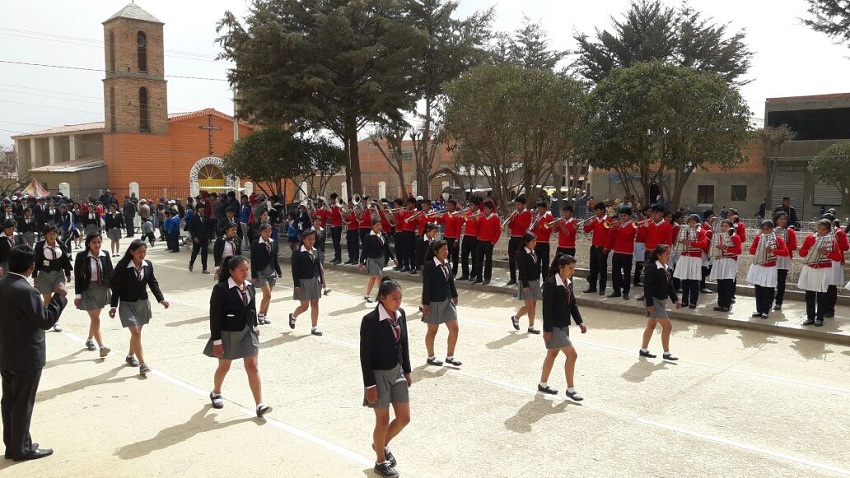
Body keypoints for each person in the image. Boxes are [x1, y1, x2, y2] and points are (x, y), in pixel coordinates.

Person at [0, 245, 67, 461]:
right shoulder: (26, 291)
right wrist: (59, 298)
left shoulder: (3, 285)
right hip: (27, 356)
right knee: (22, 403)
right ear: (32, 267)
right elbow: (44, 321)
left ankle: (13, 444)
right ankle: (22, 448)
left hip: (6, 352)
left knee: (9, 401)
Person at [203, 256, 272, 417]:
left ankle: (259, 404)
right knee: (224, 366)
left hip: (248, 331)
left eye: (247, 269)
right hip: (228, 333)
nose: (245, 273)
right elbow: (215, 316)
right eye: (241, 270)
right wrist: (217, 341)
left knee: (252, 366)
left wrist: (255, 326)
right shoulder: (220, 289)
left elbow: (252, 308)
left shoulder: (249, 286)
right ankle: (216, 392)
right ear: (231, 271)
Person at [360, 277, 412, 478]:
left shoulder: (401, 315)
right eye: (393, 298)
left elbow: (404, 344)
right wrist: (369, 385)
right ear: (382, 298)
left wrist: (406, 371)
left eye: (400, 298)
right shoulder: (370, 321)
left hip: (397, 371)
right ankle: (380, 462)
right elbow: (365, 355)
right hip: (378, 376)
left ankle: (380, 444)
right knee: (383, 420)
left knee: (404, 418)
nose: (398, 302)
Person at [109, 240, 170, 375]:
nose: (142, 254)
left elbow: (153, 283)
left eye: (144, 251)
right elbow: (116, 288)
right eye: (139, 252)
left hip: (142, 303)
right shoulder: (123, 267)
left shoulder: (148, 265)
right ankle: (142, 363)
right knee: (135, 332)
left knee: (136, 333)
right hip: (127, 304)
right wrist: (113, 306)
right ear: (132, 252)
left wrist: (161, 299)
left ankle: (130, 356)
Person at [539, 253, 587, 400]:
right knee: (572, 355)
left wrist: (579, 322)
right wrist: (547, 330)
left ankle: (543, 384)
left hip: (563, 325)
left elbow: (573, 304)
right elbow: (546, 310)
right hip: (553, 326)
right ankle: (570, 389)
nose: (572, 271)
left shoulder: (567, 283)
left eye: (573, 268)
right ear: (561, 268)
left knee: (552, 354)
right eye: (570, 268)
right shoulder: (551, 284)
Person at [421, 240, 461, 367]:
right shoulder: (429, 266)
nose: (446, 252)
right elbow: (426, 286)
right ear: (436, 252)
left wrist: (454, 295)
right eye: (443, 250)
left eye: (447, 249)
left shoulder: (447, 263)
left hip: (447, 300)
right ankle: (431, 357)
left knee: (455, 329)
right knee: (433, 331)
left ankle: (450, 356)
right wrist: (425, 305)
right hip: (433, 302)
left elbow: (450, 281)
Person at [73, 232, 113, 357]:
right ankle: (102, 346)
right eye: (94, 242)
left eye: (99, 242)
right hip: (88, 290)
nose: (97, 245)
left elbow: (110, 273)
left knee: (95, 318)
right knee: (95, 319)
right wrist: (78, 295)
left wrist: (115, 290)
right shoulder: (81, 256)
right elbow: (78, 277)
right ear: (88, 244)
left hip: (102, 289)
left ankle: (90, 339)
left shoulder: (105, 254)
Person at [640, 245, 681, 361]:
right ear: (659, 255)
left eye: (669, 254)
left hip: (661, 300)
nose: (669, 257)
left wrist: (675, 299)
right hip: (653, 301)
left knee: (651, 326)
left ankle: (643, 349)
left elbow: (670, 285)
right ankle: (666, 353)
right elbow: (647, 287)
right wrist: (650, 304)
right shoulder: (652, 268)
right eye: (666, 254)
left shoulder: (666, 268)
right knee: (668, 326)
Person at [797, 219, 840, 327]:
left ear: (828, 230)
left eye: (824, 229)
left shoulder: (832, 240)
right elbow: (801, 253)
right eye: (819, 228)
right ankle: (810, 317)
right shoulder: (810, 238)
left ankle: (820, 318)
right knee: (809, 295)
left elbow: (838, 257)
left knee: (822, 295)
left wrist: (827, 253)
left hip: (824, 270)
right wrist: (809, 250)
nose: (821, 231)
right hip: (810, 269)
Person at [32, 224, 72, 333]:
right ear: (45, 235)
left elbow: (66, 261)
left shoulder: (61, 245)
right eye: (50, 234)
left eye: (54, 234)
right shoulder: (40, 246)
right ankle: (49, 319)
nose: (52, 236)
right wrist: (35, 275)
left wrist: (68, 273)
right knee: (47, 300)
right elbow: (35, 261)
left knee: (62, 291)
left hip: (58, 273)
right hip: (44, 274)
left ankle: (56, 321)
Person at [745, 220, 788, 318]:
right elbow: (751, 250)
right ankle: (759, 310)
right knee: (758, 288)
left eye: (767, 229)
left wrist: (773, 250)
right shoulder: (758, 238)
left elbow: (785, 252)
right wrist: (760, 249)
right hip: (759, 266)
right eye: (763, 229)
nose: (765, 231)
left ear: (772, 229)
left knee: (768, 289)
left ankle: (766, 310)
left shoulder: (777, 239)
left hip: (770, 267)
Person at [289, 230, 326, 336]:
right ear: (303, 240)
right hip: (303, 281)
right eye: (309, 239)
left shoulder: (315, 251)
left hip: (315, 280)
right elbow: (295, 270)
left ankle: (314, 327)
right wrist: (296, 285)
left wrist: (322, 282)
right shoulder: (297, 253)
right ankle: (293, 316)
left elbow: (318, 267)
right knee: (304, 306)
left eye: (313, 239)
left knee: (315, 303)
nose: (312, 241)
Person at [672, 214, 708, 309]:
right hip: (685, 257)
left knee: (694, 281)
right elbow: (678, 241)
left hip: (695, 258)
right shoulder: (684, 231)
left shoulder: (702, 232)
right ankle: (684, 301)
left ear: (697, 223)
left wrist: (690, 243)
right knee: (685, 280)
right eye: (690, 222)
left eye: (693, 222)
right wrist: (681, 242)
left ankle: (693, 302)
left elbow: (703, 244)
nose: (691, 224)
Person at [511, 233, 542, 334]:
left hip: (535, 281)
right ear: (526, 242)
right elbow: (522, 271)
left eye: (535, 241)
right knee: (529, 307)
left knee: (533, 305)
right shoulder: (521, 254)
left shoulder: (533, 252)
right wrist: (525, 285)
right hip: (526, 282)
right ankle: (516, 318)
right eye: (533, 241)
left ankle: (531, 327)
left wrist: (538, 280)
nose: (535, 243)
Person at [250, 223, 281, 325]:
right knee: (267, 295)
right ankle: (260, 314)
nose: (268, 233)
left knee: (269, 295)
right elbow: (253, 260)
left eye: (269, 231)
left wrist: (278, 271)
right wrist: (254, 275)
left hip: (271, 271)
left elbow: (275, 258)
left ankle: (265, 314)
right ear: (260, 232)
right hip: (260, 272)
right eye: (265, 231)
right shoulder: (256, 243)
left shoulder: (273, 242)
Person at [708, 220, 742, 312]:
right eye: (722, 226)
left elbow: (738, 250)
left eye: (726, 226)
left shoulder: (735, 237)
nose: (723, 228)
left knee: (728, 284)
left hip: (729, 262)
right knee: (720, 284)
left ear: (731, 227)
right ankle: (720, 304)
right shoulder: (718, 237)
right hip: (719, 261)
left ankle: (726, 305)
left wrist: (726, 248)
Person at [360, 219, 396, 303]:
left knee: (373, 277)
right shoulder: (368, 236)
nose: (379, 227)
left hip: (381, 259)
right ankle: (381, 297)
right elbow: (365, 249)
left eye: (380, 225)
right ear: (372, 226)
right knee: (379, 277)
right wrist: (361, 262)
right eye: (377, 225)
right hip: (372, 260)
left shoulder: (382, 235)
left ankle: (367, 295)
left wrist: (393, 258)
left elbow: (387, 248)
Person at [607, 207, 637, 300]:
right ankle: (616, 291)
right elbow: (612, 236)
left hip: (627, 253)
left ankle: (626, 292)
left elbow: (627, 235)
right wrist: (612, 228)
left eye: (624, 216)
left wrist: (618, 228)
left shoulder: (633, 225)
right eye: (621, 216)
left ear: (629, 216)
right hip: (617, 251)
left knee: (627, 273)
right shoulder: (618, 225)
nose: (622, 218)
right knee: (615, 272)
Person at [582, 202, 612, 294]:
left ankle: (602, 288)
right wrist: (586, 223)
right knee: (593, 268)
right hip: (594, 246)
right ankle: (592, 287)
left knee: (602, 269)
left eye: (598, 210)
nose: (596, 212)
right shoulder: (595, 220)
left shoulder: (609, 220)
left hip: (603, 247)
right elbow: (587, 230)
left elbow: (609, 236)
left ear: (603, 210)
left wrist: (606, 248)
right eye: (595, 210)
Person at [772, 212, 797, 311]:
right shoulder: (772, 231)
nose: (783, 221)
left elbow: (794, 246)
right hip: (773, 256)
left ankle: (779, 301)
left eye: (784, 219)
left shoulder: (789, 231)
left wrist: (782, 246)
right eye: (780, 219)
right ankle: (769, 300)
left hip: (784, 258)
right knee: (771, 279)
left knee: (781, 281)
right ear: (776, 220)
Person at [471, 201, 500, 285]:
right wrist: (476, 221)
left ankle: (487, 278)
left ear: (491, 209)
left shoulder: (495, 218)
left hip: (489, 242)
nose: (484, 210)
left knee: (488, 261)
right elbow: (477, 228)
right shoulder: (482, 217)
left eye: (486, 209)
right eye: (484, 208)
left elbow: (498, 231)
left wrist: (493, 242)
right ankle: (479, 277)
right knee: (478, 260)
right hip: (480, 241)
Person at [505, 196, 532, 286]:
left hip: (522, 238)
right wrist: (511, 220)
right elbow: (511, 226)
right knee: (511, 259)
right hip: (513, 238)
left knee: (521, 260)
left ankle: (521, 279)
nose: (517, 206)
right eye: (516, 205)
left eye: (519, 205)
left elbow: (525, 226)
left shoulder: (527, 213)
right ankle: (512, 278)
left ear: (523, 205)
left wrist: (516, 218)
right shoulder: (515, 214)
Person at [459, 199, 481, 281]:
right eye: (469, 205)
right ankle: (465, 274)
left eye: (472, 205)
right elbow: (461, 222)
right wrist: (461, 216)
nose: (470, 207)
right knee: (464, 256)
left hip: (475, 237)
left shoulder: (480, 214)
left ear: (476, 206)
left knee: (474, 257)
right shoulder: (468, 213)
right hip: (466, 236)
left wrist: (476, 219)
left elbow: (479, 226)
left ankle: (473, 274)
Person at [187, 203, 210, 274]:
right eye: (200, 208)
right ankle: (191, 262)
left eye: (203, 208)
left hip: (205, 238)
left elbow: (208, 229)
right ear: (197, 209)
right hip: (197, 238)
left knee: (204, 253)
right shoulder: (194, 217)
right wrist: (194, 237)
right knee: (195, 252)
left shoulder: (206, 217)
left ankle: (204, 268)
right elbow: (191, 229)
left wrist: (208, 238)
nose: (202, 209)